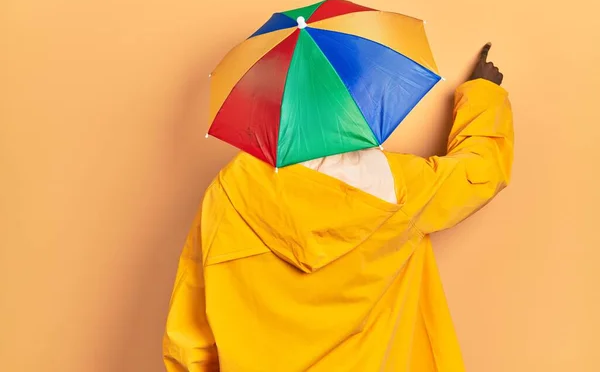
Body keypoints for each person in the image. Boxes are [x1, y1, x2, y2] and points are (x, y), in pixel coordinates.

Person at [163, 43, 513, 372]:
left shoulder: (229, 191)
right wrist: (483, 95)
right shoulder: (394, 188)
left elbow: (189, 332)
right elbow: (478, 174)